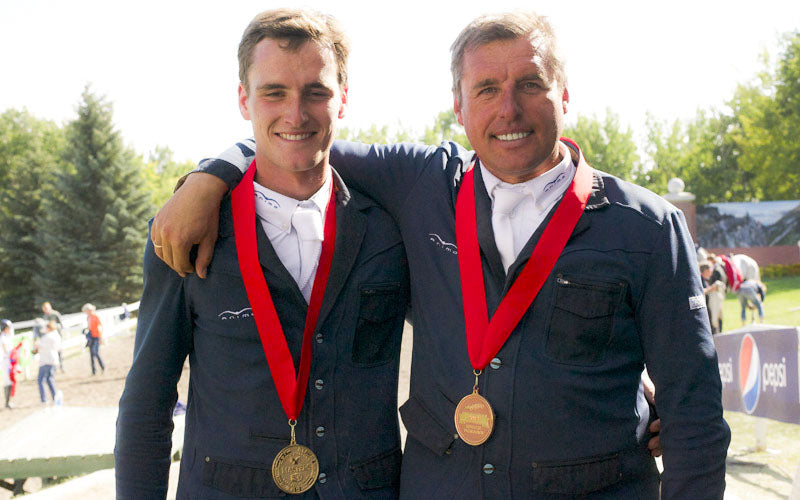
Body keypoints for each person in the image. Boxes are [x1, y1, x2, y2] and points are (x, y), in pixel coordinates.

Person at [151, 11, 728, 499]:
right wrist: (212, 174)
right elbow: (298, 136)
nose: (509, 110)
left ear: (566, 95)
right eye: (486, 89)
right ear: (458, 105)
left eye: (530, 83)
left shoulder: (649, 227)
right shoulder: (422, 183)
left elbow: (696, 416)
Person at [116, 9, 409, 499]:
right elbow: (147, 404)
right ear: (242, 99)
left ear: (343, 101)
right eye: (274, 92)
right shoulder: (184, 231)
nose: (295, 114)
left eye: (316, 92)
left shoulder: (390, 229)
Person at [35, 320, 61, 404]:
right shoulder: (56, 335)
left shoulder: (47, 337)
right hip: (52, 360)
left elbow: (39, 346)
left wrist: (37, 343)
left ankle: (44, 399)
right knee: (50, 379)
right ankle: (54, 396)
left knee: (40, 380)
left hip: (46, 361)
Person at [41, 302, 65, 372]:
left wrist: (54, 327)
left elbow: (61, 325)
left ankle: (61, 366)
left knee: (59, 352)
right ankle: (54, 368)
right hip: (49, 338)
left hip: (57, 336)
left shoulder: (55, 314)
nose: (46, 310)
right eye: (44, 308)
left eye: (47, 308)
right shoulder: (44, 317)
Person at [82, 303, 105, 375]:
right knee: (91, 354)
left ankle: (102, 366)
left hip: (96, 336)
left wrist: (101, 337)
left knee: (95, 352)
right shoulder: (88, 317)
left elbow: (100, 326)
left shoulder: (95, 316)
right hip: (91, 336)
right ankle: (94, 370)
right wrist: (86, 329)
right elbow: (90, 327)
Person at [1, 319, 14, 409]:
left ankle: (8, 401)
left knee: (9, 381)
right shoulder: (3, 338)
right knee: (7, 381)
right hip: (5, 361)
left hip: (8, 360)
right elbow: (6, 350)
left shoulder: (7, 336)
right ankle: (6, 402)